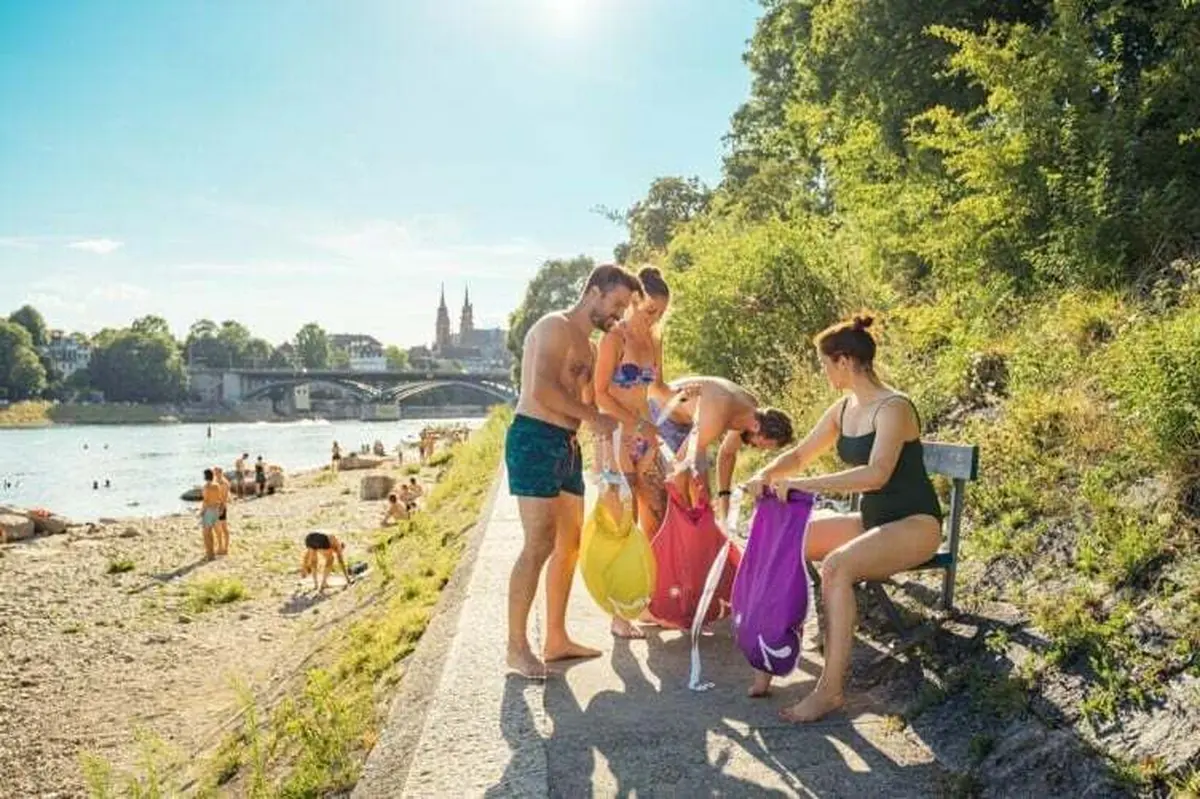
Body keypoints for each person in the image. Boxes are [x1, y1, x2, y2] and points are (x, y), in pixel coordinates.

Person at [743, 314, 943, 721]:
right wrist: (766, 475)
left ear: (845, 361)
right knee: (788, 541)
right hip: (873, 521)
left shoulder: (895, 407)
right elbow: (800, 454)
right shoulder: (844, 408)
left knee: (836, 567)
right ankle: (769, 654)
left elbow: (876, 475)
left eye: (824, 364)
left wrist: (806, 486)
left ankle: (830, 691)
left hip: (915, 525)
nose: (823, 371)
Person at [505, 264, 637, 678]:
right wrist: (592, 417)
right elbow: (540, 390)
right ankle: (516, 647)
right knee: (539, 542)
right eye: (616, 304)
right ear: (594, 291)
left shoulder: (591, 347)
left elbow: (584, 407)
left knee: (570, 543)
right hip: (534, 439)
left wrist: (606, 431)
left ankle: (556, 639)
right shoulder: (553, 327)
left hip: (566, 444)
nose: (617, 315)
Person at [650, 376, 795, 519]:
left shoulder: (750, 410)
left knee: (702, 498)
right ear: (756, 427)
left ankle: (708, 530)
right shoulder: (717, 418)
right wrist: (685, 518)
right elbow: (678, 469)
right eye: (762, 445)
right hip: (660, 414)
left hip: (692, 420)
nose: (756, 448)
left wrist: (724, 501)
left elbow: (727, 453)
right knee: (667, 501)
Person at [200, 468, 222, 560]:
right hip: (215, 509)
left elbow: (205, 500)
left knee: (206, 533)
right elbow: (219, 498)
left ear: (205, 476)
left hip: (208, 510)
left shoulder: (206, 487)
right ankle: (212, 553)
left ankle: (210, 554)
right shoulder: (217, 485)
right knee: (211, 532)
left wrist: (202, 511)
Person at [214, 467, 232, 556]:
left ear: (220, 473)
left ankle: (224, 548)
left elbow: (224, 498)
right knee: (219, 529)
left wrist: (221, 509)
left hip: (221, 507)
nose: (215, 474)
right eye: (215, 473)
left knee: (222, 528)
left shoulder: (224, 483)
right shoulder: (216, 481)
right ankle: (221, 548)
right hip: (216, 507)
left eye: (216, 473)